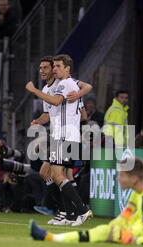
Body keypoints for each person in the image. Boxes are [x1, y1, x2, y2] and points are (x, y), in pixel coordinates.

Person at [30, 157, 143, 246]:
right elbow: (126, 215)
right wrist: (113, 228)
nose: (118, 179)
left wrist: (122, 237)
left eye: (122, 176)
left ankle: (52, 237)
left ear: (133, 178)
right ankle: (51, 237)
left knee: (111, 233)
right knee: (107, 229)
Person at [25, 54, 92, 226]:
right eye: (53, 66)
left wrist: (33, 90)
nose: (54, 69)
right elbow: (81, 114)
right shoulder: (66, 84)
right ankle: (69, 214)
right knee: (56, 174)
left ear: (67, 68)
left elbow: (56, 101)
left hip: (65, 135)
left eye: (57, 66)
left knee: (57, 174)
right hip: (65, 135)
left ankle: (82, 210)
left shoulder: (65, 83)